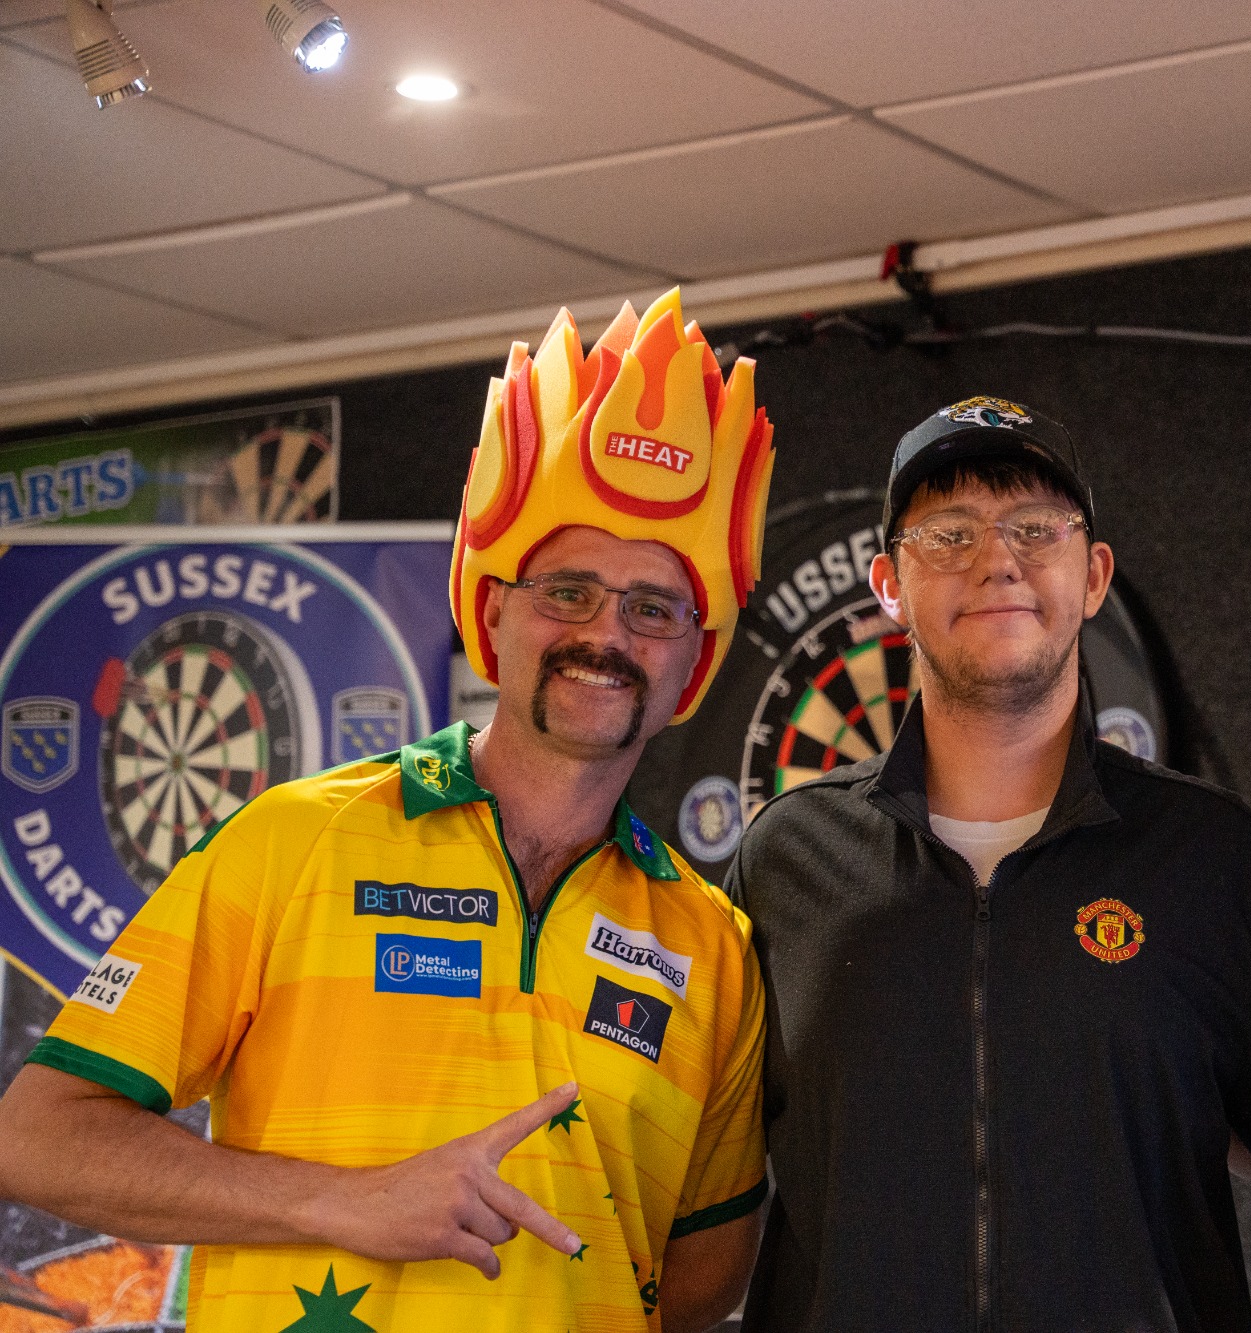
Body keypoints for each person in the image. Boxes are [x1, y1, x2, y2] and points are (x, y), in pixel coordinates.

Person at [0, 289, 780, 1332]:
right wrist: (341, 1200)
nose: (606, 633)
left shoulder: (711, 946)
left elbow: (701, 1276)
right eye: (568, 590)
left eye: (654, 607)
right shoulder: (297, 839)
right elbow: (38, 1135)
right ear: (493, 609)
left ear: (694, 657)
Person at [727, 396, 1251, 1333]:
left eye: (1037, 528)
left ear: (1094, 575)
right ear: (888, 583)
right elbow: (688, 1186)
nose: (997, 559)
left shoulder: (1216, 861)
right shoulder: (786, 861)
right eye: (949, 533)